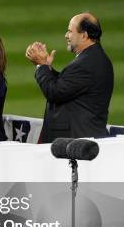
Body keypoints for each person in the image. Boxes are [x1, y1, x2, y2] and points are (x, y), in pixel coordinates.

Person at [25, 13, 114, 143]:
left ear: (84, 35)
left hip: (76, 143)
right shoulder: (93, 58)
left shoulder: (87, 63)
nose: (66, 35)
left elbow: (54, 92)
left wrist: (42, 65)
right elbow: (68, 86)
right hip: (79, 140)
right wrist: (47, 68)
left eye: (70, 31)